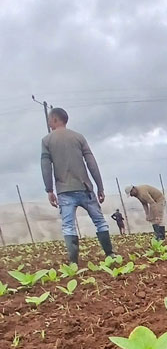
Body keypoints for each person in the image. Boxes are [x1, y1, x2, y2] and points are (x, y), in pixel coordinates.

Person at [40, 107, 114, 265]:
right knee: (100, 221)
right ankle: (110, 254)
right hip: (85, 188)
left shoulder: (47, 141)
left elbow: (46, 167)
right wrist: (100, 187)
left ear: (54, 119)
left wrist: (49, 190)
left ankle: (73, 263)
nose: (48, 122)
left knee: (68, 226)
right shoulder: (78, 137)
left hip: (64, 190)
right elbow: (91, 163)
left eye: (49, 119)